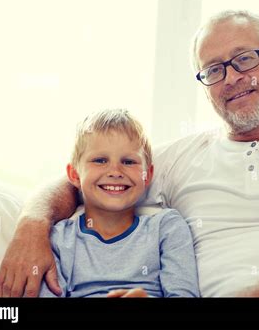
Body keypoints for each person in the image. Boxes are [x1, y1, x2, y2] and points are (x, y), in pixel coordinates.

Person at [0, 10, 259, 298]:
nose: (232, 78)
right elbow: (87, 178)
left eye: (245, 58)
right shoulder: (181, 159)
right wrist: (32, 227)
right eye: (213, 70)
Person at [38, 108, 199, 297]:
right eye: (100, 160)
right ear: (74, 174)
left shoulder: (167, 228)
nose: (115, 171)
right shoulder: (60, 239)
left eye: (129, 162)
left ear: (148, 175)